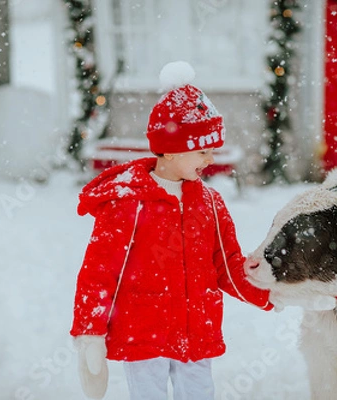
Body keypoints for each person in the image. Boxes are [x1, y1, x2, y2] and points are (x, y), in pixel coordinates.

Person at [70, 61, 273, 400]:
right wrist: (90, 331)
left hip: (198, 333)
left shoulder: (210, 202)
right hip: (143, 334)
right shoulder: (127, 202)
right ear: (170, 148)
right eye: (203, 150)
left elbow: (227, 264)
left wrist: (270, 290)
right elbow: (100, 271)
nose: (210, 159)